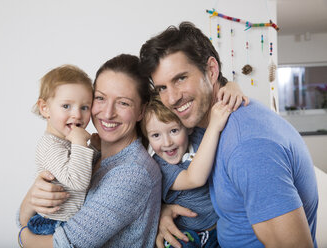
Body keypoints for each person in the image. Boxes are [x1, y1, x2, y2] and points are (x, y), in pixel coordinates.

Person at [139, 22, 318, 248]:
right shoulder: (196, 126)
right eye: (162, 88)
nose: (172, 98)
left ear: (211, 70)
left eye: (180, 78)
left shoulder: (249, 147)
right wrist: (164, 210)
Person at [17, 54, 162, 247]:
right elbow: (26, 218)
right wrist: (32, 198)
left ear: (141, 111)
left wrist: (21, 237)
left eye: (123, 102)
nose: (108, 113)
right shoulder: (90, 155)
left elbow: (67, 244)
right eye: (100, 98)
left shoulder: (133, 172)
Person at [141, 95, 232, 248]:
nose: (167, 142)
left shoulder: (199, 138)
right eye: (156, 135)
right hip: (186, 233)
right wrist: (214, 127)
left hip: (218, 229)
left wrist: (232, 87)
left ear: (188, 127)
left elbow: (218, 100)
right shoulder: (159, 165)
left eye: (174, 130)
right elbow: (194, 179)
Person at [26, 65, 99, 235]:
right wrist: (81, 142)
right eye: (66, 106)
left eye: (84, 107)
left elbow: (85, 170)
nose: (77, 115)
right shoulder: (50, 146)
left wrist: (94, 149)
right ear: (45, 108)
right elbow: (78, 182)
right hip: (53, 223)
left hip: (66, 221)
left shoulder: (66, 142)